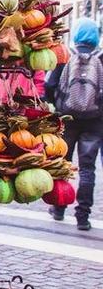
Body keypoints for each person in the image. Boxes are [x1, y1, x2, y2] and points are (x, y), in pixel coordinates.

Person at [44, 18, 103, 230]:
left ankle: (59, 207)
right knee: (87, 168)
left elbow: (49, 85)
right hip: (95, 122)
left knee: (63, 164)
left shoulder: (66, 55)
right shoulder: (101, 59)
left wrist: (53, 108)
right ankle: (83, 217)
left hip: (67, 119)